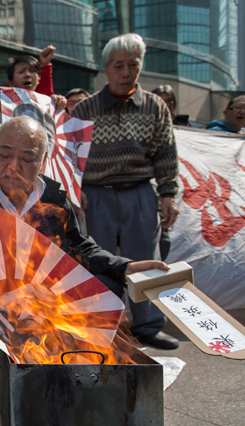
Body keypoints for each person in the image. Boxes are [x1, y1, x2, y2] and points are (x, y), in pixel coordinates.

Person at [0, 116, 172, 413]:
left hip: (49, 309)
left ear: (43, 161)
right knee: (11, 401)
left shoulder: (52, 196)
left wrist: (122, 266)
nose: (13, 166)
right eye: (4, 155)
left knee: (108, 292)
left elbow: (77, 245)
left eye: (27, 158)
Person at [71, 33, 180, 350]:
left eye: (133, 64)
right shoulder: (85, 109)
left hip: (140, 193)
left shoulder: (155, 107)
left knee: (147, 259)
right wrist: (76, 191)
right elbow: (67, 155)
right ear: (106, 69)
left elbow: (166, 154)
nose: (126, 72)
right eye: (118, 65)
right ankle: (105, 327)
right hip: (96, 194)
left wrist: (169, 193)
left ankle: (148, 325)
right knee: (100, 262)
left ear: (140, 66)